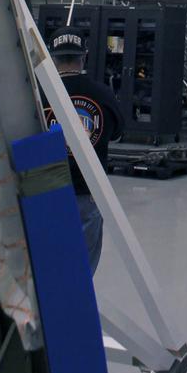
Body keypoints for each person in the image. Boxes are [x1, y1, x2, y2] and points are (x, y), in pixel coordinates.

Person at [43, 30, 123, 274]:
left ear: (52, 58)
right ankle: (78, 310)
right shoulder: (102, 94)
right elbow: (117, 134)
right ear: (84, 57)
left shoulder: (40, 92)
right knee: (82, 271)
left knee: (50, 266)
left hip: (48, 191)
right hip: (88, 191)